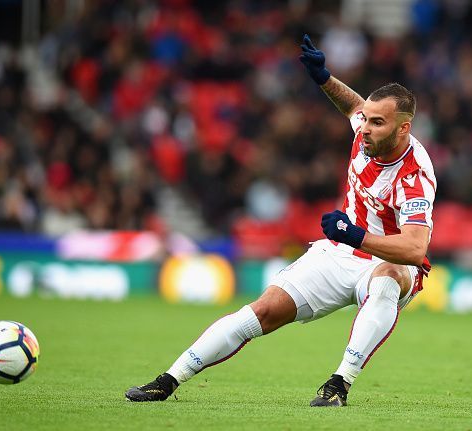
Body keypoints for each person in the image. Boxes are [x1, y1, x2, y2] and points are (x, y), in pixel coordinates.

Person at [125, 35, 436, 407]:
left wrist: (355, 235)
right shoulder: (368, 129)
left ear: (404, 129)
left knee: (389, 281)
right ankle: (169, 379)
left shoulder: (415, 175)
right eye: (365, 120)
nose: (365, 128)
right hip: (342, 251)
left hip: (384, 259)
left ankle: (339, 383)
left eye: (377, 122)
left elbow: (416, 249)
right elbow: (354, 105)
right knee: (262, 311)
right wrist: (324, 78)